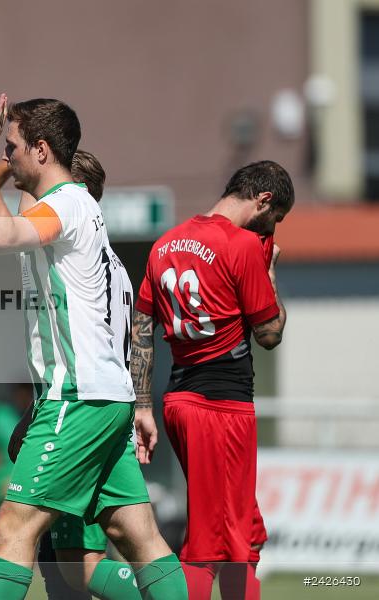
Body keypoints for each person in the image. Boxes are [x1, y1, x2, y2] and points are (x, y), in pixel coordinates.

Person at [0, 95, 187, 600]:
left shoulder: (66, 205)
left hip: (79, 399)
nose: (8, 156)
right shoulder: (82, 223)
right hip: (106, 402)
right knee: (139, 542)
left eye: (15, 147)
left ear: (43, 150)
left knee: (13, 530)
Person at [131, 161, 293, 600]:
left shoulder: (165, 242)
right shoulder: (240, 245)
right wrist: (271, 278)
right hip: (221, 408)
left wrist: (143, 405)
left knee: (244, 531)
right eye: (274, 219)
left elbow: (141, 327)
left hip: (179, 400)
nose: (269, 230)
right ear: (263, 201)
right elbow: (269, 335)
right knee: (212, 544)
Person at [8, 150, 142, 600]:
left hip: (81, 408)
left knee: (70, 562)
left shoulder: (69, 255)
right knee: (71, 562)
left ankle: (154, 592)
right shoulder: (111, 266)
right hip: (104, 405)